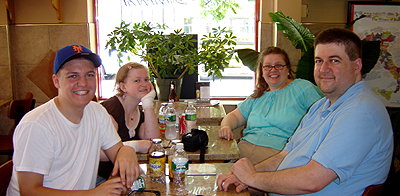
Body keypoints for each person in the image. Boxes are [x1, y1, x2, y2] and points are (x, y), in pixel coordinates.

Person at [217, 28, 394, 195]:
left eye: (334, 60)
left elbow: (312, 180)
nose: (323, 69)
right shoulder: (322, 106)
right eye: (319, 61)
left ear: (357, 66)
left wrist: (252, 177)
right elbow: (284, 156)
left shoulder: (359, 111)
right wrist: (243, 176)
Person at [6, 45, 140, 196]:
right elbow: (29, 191)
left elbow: (117, 151)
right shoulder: (37, 125)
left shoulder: (97, 112)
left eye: (89, 75)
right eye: (73, 76)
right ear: (56, 81)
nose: (83, 83)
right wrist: (92, 194)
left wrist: (126, 150)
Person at [218, 46, 323, 164]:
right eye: (268, 66)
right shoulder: (258, 95)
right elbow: (235, 116)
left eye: (278, 65)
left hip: (279, 159)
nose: (273, 70)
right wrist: (226, 126)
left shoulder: (303, 88)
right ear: (261, 71)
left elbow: (326, 116)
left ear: (288, 69)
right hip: (243, 153)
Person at [98, 62, 160, 180]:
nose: (144, 84)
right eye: (137, 80)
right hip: (99, 179)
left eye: (146, 79)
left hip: (122, 178)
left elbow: (153, 142)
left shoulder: (139, 112)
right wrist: (135, 146)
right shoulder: (112, 109)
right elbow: (97, 153)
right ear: (123, 87)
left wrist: (147, 104)